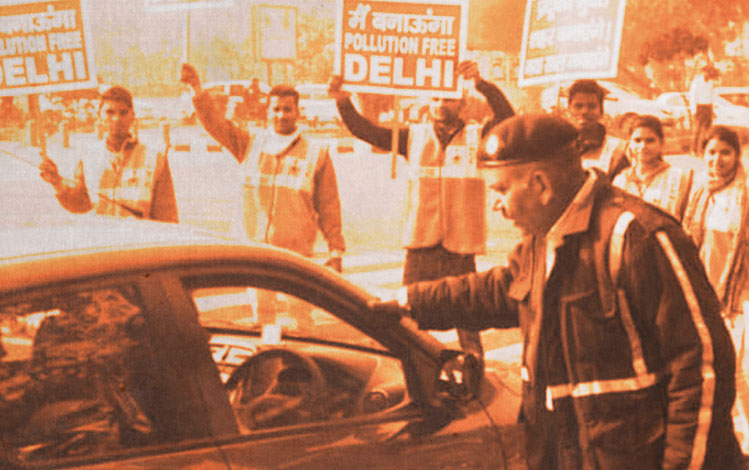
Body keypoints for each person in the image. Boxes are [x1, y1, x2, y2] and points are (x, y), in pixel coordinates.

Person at [374, 114, 742, 470]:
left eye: (501, 189)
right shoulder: (540, 239)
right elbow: (501, 290)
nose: (494, 204)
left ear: (542, 185)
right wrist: (410, 301)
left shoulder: (637, 237)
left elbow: (703, 368)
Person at [328, 61, 515, 360]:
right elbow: (368, 132)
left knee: (468, 323)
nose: (441, 105)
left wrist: (481, 83)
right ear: (428, 102)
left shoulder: (477, 137)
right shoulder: (412, 137)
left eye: (449, 99)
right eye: (437, 99)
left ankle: (475, 374)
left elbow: (507, 118)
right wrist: (342, 102)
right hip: (421, 243)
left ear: (463, 102)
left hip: (460, 245)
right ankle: (408, 373)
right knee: (406, 322)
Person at [180, 63, 345, 272]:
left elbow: (329, 206)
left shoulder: (316, 154)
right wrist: (196, 89)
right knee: (259, 306)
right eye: (276, 109)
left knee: (294, 306)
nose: (281, 115)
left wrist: (336, 250)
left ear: (297, 112)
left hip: (295, 260)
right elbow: (216, 124)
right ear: (268, 111)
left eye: (287, 109)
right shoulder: (250, 143)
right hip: (252, 256)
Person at [682, 125, 749, 451]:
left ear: (737, 156)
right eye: (711, 151)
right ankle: (730, 438)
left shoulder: (745, 194)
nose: (717, 159)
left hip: (741, 296)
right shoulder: (699, 193)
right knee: (716, 367)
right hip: (705, 294)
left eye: (725, 152)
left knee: (743, 370)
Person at [39, 86, 178, 222]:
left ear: (132, 116)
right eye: (110, 112)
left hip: (139, 241)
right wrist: (56, 182)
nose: (117, 118)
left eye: (123, 112)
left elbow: (167, 216)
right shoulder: (89, 156)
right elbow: (80, 204)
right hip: (104, 239)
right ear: (100, 116)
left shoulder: (154, 158)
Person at [612, 115, 693, 221]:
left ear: (661, 143)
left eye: (650, 141)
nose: (643, 146)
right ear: (629, 143)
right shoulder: (621, 180)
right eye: (637, 140)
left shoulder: (678, 177)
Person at [566, 79, 629, 178]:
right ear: (568, 110)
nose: (584, 111)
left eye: (591, 106)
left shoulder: (616, 151)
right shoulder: (558, 148)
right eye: (578, 106)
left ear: (601, 111)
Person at [689, 66, 716, 156]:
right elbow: (693, 96)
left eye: (709, 72)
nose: (707, 74)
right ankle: (693, 150)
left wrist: (712, 110)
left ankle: (704, 150)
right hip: (699, 107)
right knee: (697, 131)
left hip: (708, 107)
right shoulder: (696, 82)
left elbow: (711, 96)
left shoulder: (711, 83)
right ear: (703, 72)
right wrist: (694, 110)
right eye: (706, 72)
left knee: (707, 131)